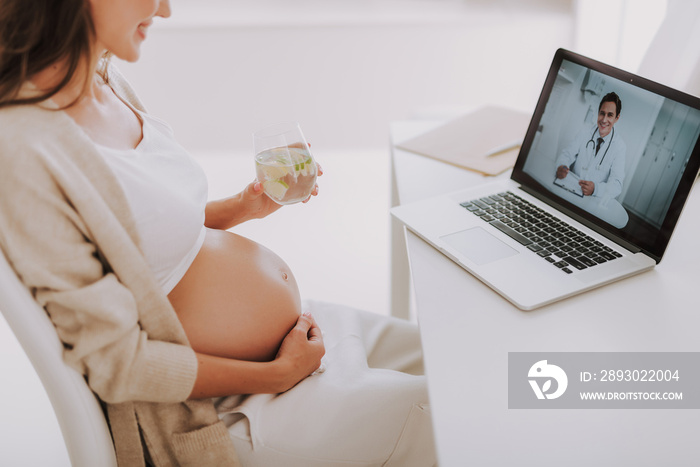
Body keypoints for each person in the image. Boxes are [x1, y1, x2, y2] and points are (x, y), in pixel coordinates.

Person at [0, 1, 435, 466]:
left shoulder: (103, 78)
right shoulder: (21, 149)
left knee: (468, 359)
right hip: (227, 406)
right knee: (469, 412)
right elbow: (117, 364)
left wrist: (244, 206)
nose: (165, 10)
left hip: (297, 341)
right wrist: (277, 375)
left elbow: (139, 241)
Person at [555, 92, 627, 198]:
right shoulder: (585, 130)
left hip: (593, 199)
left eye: (610, 115)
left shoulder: (620, 147)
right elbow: (567, 154)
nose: (604, 119)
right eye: (602, 113)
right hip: (571, 189)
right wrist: (563, 166)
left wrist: (596, 189)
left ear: (617, 118)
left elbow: (617, 185)